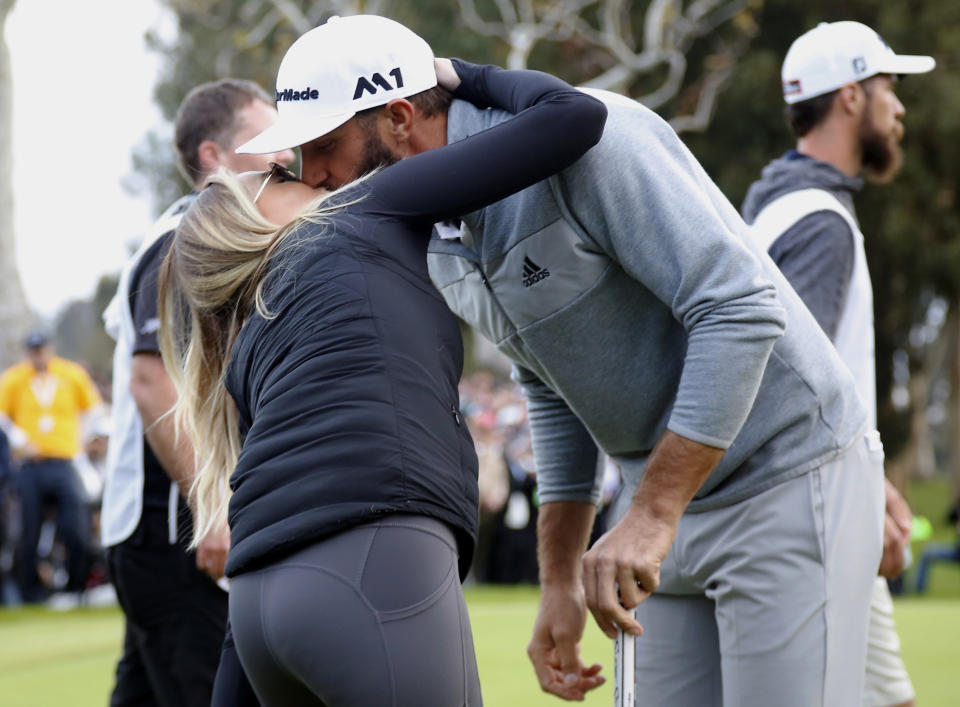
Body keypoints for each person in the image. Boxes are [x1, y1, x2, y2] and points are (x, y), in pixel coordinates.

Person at [240, 14, 889, 705]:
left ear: (399, 118)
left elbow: (739, 308)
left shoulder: (597, 142)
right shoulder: (424, 233)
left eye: (326, 146)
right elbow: (550, 382)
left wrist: (650, 514)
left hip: (789, 470)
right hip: (663, 501)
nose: (314, 177)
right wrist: (557, 580)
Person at [158, 44, 606, 706]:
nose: (310, 178)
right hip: (374, 562)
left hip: (256, 607)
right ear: (260, 225)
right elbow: (573, 116)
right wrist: (459, 76)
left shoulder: (255, 332)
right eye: (283, 178)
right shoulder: (359, 214)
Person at [742, 22, 935, 707]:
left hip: (818, 505)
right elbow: (796, 385)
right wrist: (860, 491)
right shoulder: (819, 219)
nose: (900, 106)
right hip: (815, 513)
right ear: (851, 97)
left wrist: (876, 485)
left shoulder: (772, 205)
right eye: (890, 87)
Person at [101, 78, 293, 707]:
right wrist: (214, 506)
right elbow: (150, 380)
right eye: (263, 139)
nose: (282, 154)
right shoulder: (185, 242)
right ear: (212, 157)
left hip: (167, 532)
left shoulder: (203, 237)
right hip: (175, 529)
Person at [0, 332, 104, 603]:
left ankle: (75, 587)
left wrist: (79, 439)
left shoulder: (71, 375)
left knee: (75, 526)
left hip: (64, 461)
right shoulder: (14, 378)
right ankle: (30, 593)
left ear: (51, 349)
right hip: (30, 464)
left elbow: (94, 409)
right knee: (27, 531)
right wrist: (20, 440)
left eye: (42, 350)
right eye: (33, 351)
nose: (38, 356)